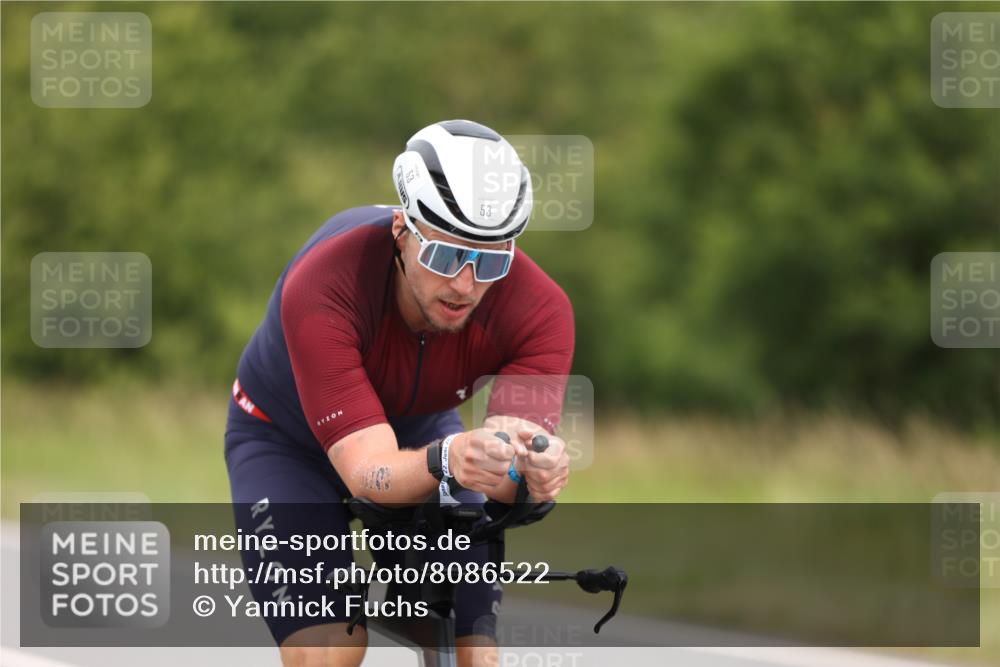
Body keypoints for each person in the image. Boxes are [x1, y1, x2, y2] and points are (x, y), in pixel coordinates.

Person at [224, 119, 575, 667]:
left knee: (473, 650)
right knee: (330, 652)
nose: (465, 284)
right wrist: (450, 459)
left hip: (420, 434)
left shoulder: (540, 311)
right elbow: (369, 474)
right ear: (401, 229)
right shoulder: (325, 281)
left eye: (489, 262)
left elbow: (507, 472)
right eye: (444, 256)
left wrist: (531, 475)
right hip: (284, 441)